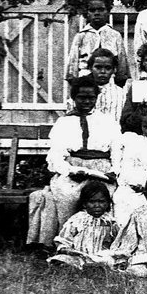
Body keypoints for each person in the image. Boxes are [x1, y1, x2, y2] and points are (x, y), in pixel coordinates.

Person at [27, 75, 121, 249]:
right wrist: (69, 170)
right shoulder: (64, 122)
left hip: (101, 169)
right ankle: (67, 241)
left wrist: (114, 171)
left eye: (91, 97)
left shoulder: (108, 122)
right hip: (73, 168)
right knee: (67, 196)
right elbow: (55, 155)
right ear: (73, 98)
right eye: (81, 97)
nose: (86, 101)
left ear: (96, 98)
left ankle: (102, 242)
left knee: (101, 196)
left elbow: (117, 150)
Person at [46, 181, 119, 270]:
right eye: (92, 202)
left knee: (109, 261)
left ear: (108, 203)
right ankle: (82, 266)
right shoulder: (77, 220)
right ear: (84, 203)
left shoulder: (111, 222)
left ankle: (94, 266)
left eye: (101, 202)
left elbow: (117, 242)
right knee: (62, 259)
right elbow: (64, 239)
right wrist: (66, 249)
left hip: (100, 257)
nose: (97, 205)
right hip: (79, 256)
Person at [111, 107, 147, 225]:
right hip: (131, 188)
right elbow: (116, 148)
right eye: (146, 127)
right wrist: (116, 168)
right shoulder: (132, 140)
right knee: (123, 206)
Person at [66, 0, 131, 84]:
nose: (96, 13)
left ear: (108, 11)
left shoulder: (115, 35)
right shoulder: (81, 36)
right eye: (92, 10)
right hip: (85, 82)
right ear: (86, 13)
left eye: (101, 9)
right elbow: (72, 66)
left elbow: (122, 66)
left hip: (109, 81)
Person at [78, 48, 124, 125]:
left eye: (108, 68)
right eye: (98, 67)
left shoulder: (121, 94)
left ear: (114, 70)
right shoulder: (81, 92)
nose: (103, 71)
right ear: (90, 68)